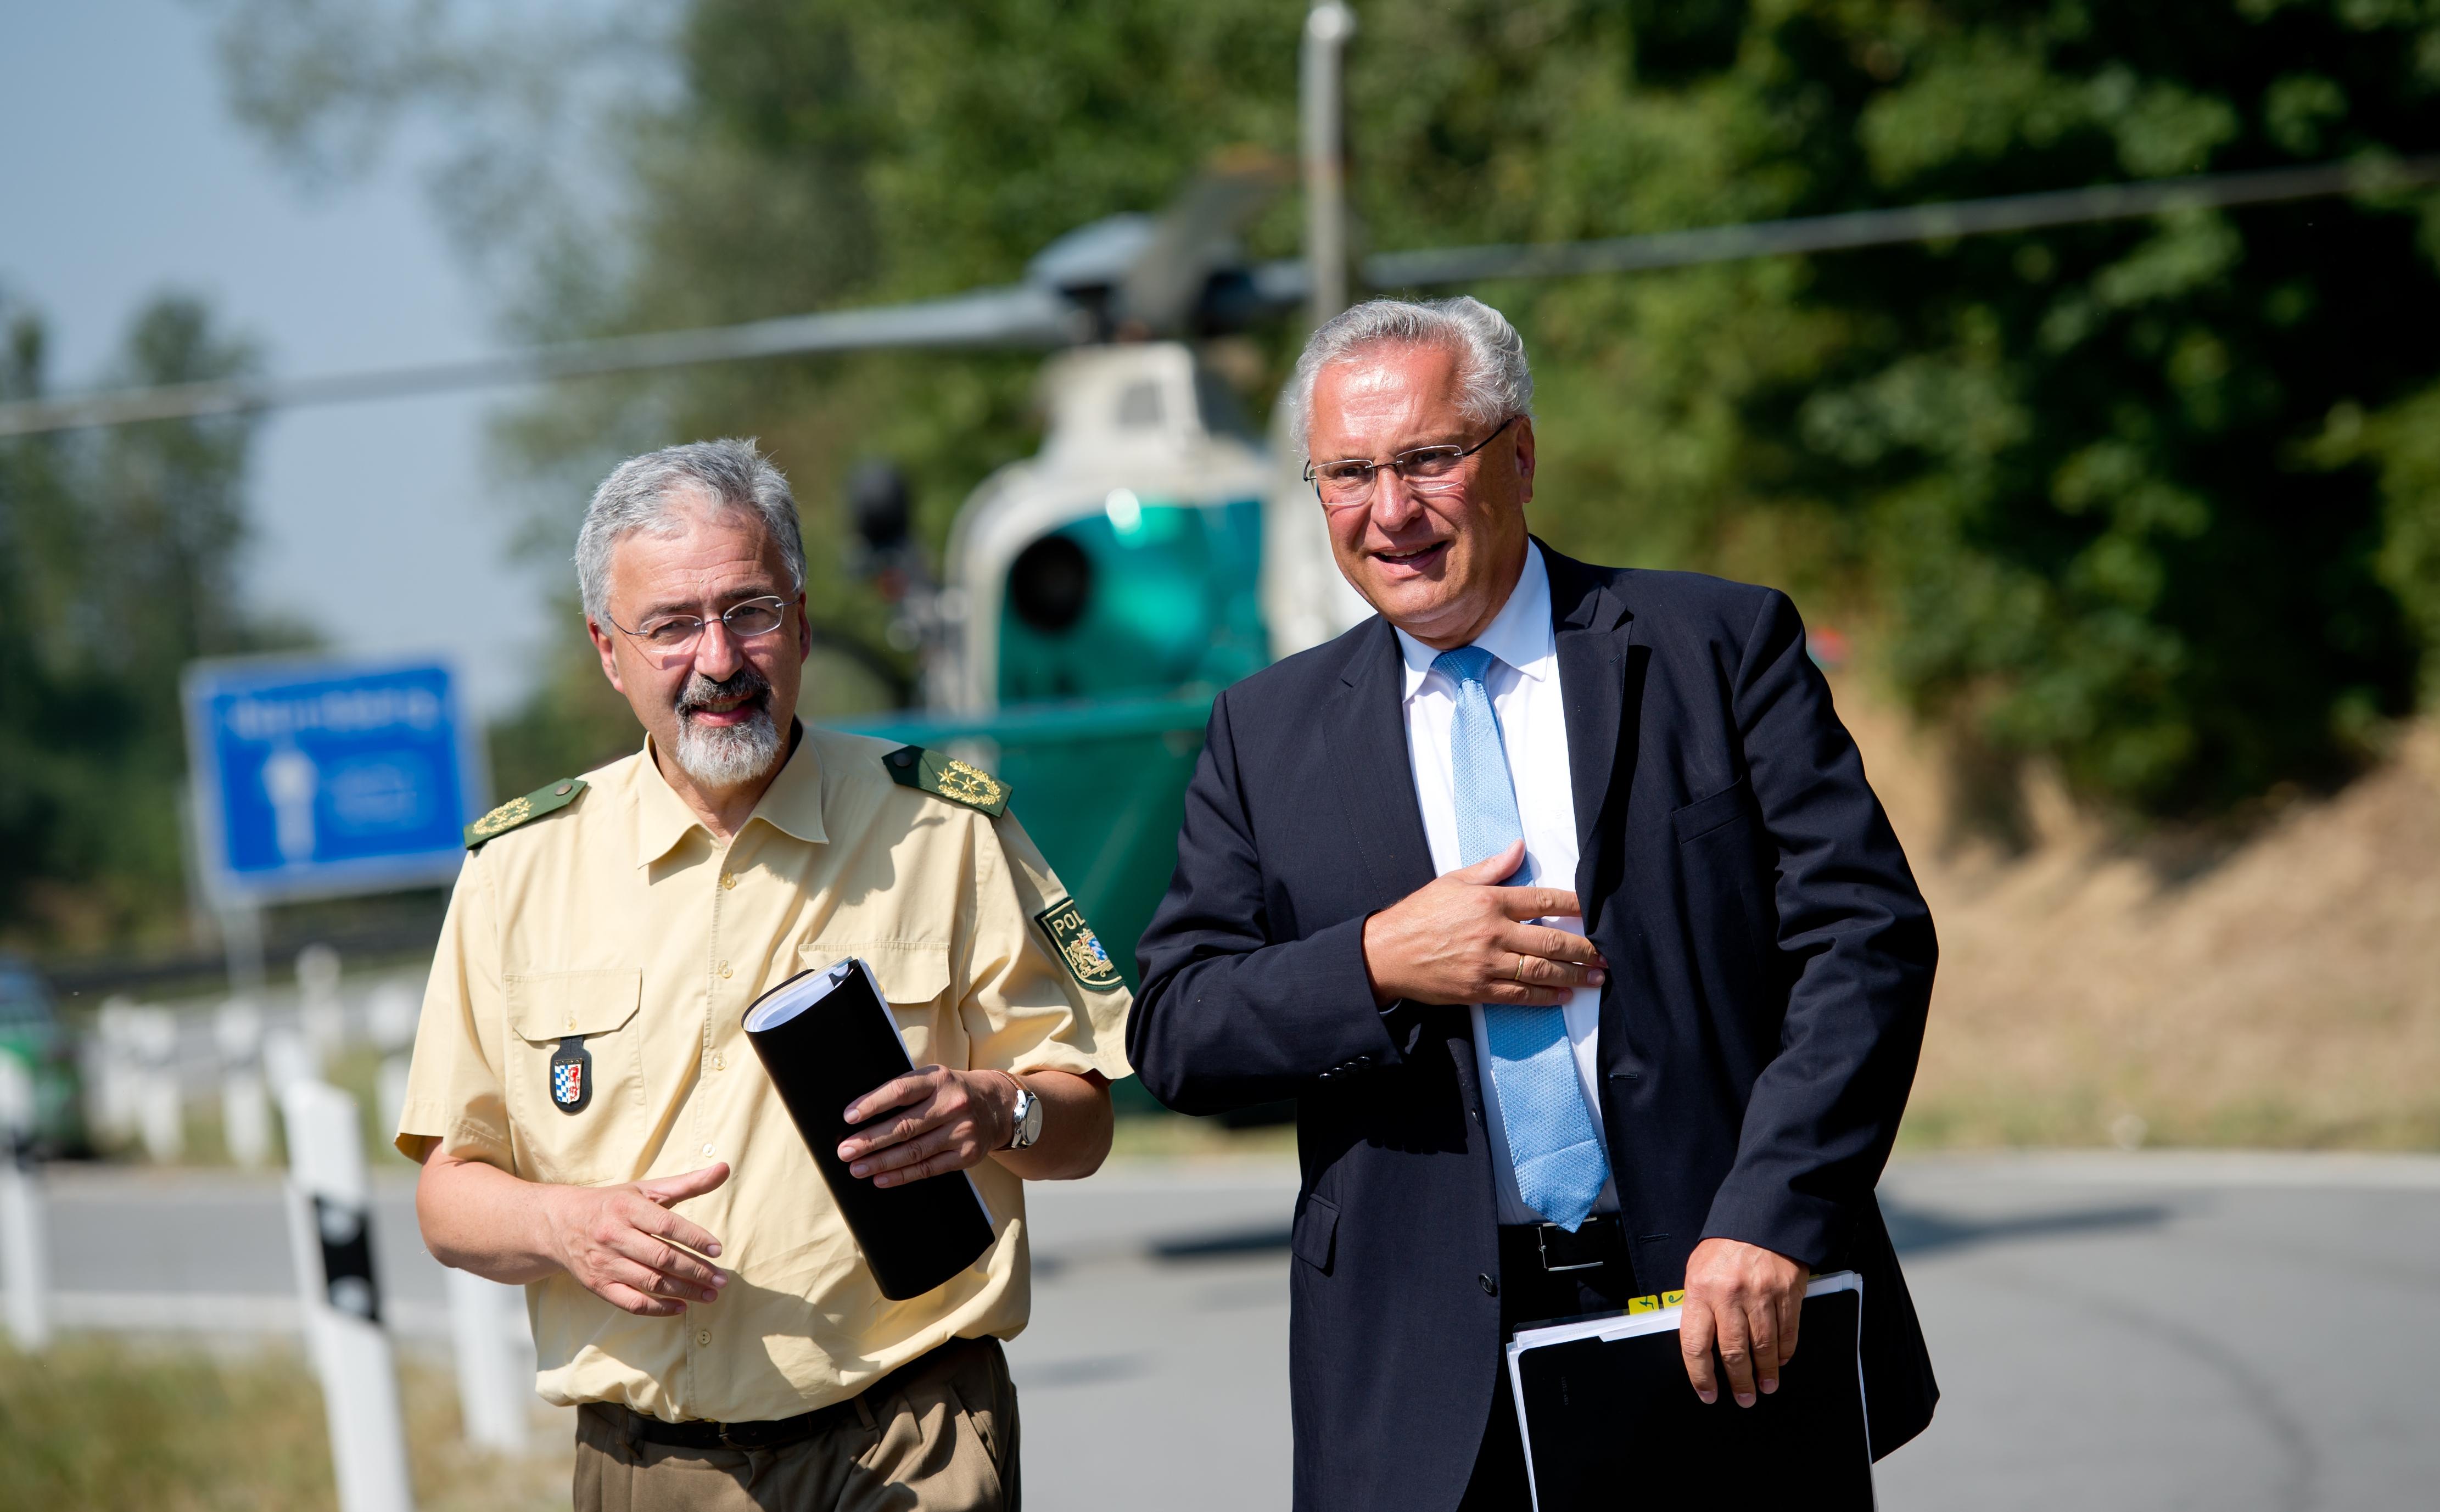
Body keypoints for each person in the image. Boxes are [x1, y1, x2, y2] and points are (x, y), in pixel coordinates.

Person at [1128, 298, 1939, 1511]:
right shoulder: (1263, 733)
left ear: (1516, 454)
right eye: (1347, 473)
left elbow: (1864, 940)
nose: (1388, 512)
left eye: (1425, 460)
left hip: (1721, 1320)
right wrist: (1374, 964)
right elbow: (1176, 1031)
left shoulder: (1715, 648)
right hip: (1416, 1383)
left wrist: (1776, 1214)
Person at [396, 438, 1132, 1511]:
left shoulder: (944, 826)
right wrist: (566, 1227)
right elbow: (446, 1197)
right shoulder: (518, 870)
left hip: (910, 1435)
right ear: (608, 650)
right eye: (670, 626)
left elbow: (1085, 1123)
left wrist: (996, 1110)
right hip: (652, 1462)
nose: (719, 658)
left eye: (749, 612)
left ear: (802, 619)